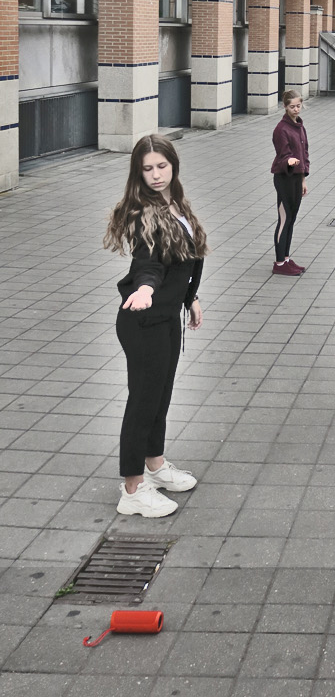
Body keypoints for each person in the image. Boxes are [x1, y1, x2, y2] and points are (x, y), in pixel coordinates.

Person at [104, 135, 207, 518]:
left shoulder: (175, 203)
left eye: (161, 166)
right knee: (143, 402)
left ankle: (155, 465)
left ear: (173, 165)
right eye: (147, 169)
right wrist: (146, 287)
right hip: (143, 319)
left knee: (161, 396)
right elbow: (148, 261)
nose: (156, 174)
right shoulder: (144, 212)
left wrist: (190, 298)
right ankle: (132, 489)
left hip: (165, 316)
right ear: (139, 173)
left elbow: (184, 259)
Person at [271, 89, 309, 276]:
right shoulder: (281, 129)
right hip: (284, 178)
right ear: (285, 107)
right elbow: (282, 154)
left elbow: (305, 153)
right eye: (292, 106)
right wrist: (289, 160)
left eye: (298, 106)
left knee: (292, 219)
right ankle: (279, 263)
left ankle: (286, 258)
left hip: (296, 177)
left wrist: (303, 180)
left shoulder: (300, 126)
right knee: (284, 219)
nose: (296, 109)